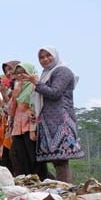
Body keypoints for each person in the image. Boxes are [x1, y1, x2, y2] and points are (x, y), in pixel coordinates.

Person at [27, 46, 85, 183]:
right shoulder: (46, 73)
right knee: (56, 160)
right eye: (41, 57)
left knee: (61, 159)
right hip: (50, 121)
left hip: (61, 120)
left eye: (48, 55)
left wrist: (37, 83)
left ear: (55, 56)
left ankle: (66, 189)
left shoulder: (62, 71)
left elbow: (55, 92)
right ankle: (64, 188)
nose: (45, 59)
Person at [8, 63, 46, 177]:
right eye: (17, 73)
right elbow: (11, 112)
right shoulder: (18, 88)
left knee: (34, 156)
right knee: (21, 156)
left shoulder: (34, 86)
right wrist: (15, 95)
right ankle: (28, 182)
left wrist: (32, 130)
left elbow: (36, 108)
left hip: (30, 125)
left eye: (23, 72)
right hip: (18, 127)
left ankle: (41, 180)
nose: (20, 76)